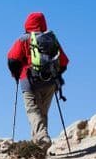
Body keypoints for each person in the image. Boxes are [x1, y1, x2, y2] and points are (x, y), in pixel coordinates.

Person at [6, 12, 69, 147]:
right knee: (42, 113)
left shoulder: (23, 39)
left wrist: (16, 74)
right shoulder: (51, 39)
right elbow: (63, 61)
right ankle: (39, 147)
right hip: (50, 83)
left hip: (28, 81)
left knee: (33, 111)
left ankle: (41, 137)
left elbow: (12, 59)